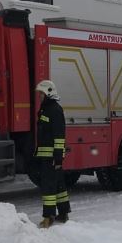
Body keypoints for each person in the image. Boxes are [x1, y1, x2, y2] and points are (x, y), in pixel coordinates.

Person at [34, 80, 70, 228]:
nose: (40, 97)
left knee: (48, 187)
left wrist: (58, 157)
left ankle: (48, 217)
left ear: (49, 93)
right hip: (46, 156)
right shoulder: (46, 109)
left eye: (41, 94)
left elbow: (59, 136)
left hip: (51, 157)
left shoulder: (54, 110)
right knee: (59, 185)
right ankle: (63, 213)